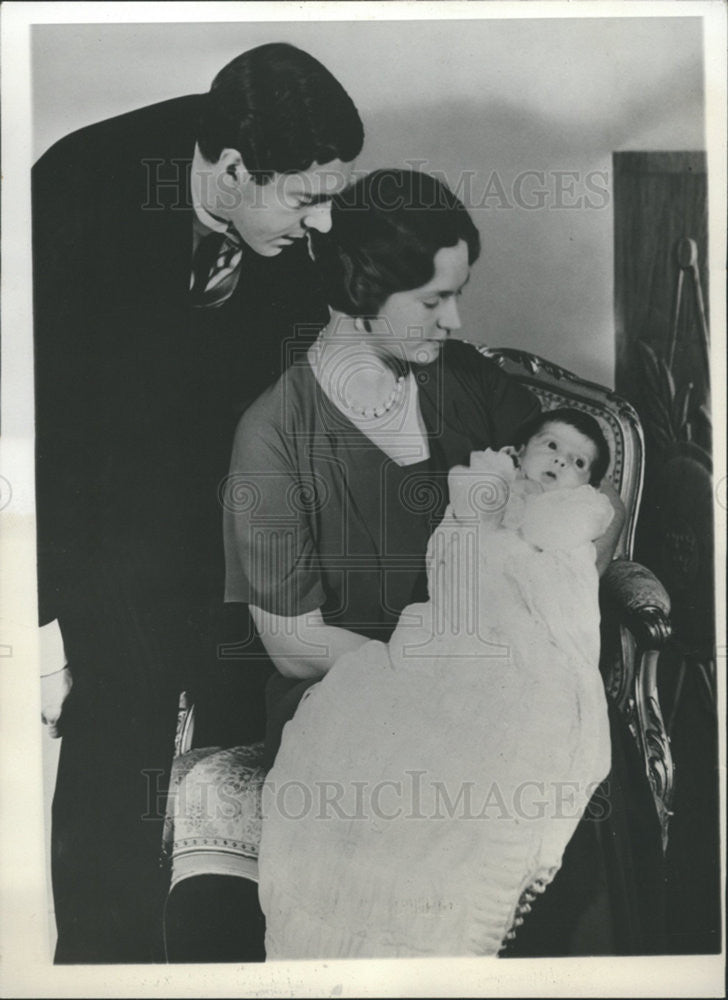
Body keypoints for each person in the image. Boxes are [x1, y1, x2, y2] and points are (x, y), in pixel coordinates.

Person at [214, 169, 664, 959]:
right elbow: (292, 641)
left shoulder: (468, 383)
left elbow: (586, 500)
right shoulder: (275, 434)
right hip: (355, 686)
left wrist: (536, 595)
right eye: (432, 301)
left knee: (565, 771)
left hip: (503, 672)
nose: (456, 321)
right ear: (360, 289)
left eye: (458, 294)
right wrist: (437, 674)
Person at [33, 42, 363, 963]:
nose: (325, 224)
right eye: (306, 198)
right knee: (121, 724)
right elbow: (37, 431)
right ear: (228, 171)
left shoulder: (289, 232)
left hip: (220, 511)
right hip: (97, 514)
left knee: (241, 720)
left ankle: (218, 958)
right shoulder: (72, 195)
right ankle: (103, 965)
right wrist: (44, 623)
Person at [258, 410, 616, 958]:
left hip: (530, 655)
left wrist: (532, 520)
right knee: (379, 727)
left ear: (586, 484)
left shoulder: (571, 520)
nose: (561, 462)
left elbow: (565, 607)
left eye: (578, 462)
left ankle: (445, 936)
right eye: (551, 446)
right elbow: (448, 565)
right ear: (521, 452)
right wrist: (482, 504)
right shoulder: (484, 498)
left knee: (501, 749)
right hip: (454, 639)